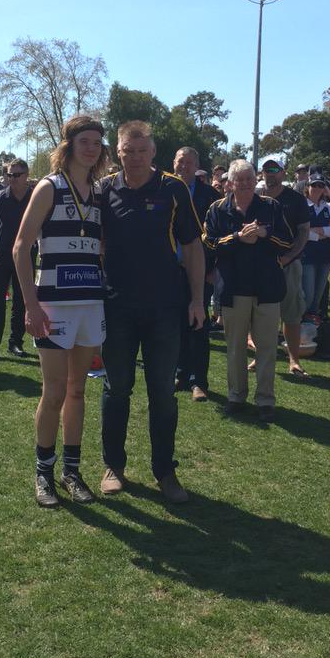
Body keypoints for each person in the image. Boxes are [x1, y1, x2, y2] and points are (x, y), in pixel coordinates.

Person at [98, 121, 205, 503]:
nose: (136, 157)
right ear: (119, 151)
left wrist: (196, 300)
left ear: (153, 152)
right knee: (117, 389)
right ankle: (113, 465)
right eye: (129, 150)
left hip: (165, 307)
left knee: (162, 392)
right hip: (117, 307)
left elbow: (193, 248)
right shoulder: (104, 190)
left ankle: (165, 472)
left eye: (143, 151)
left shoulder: (172, 189)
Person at [14, 117, 109, 507]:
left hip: (90, 304)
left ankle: (72, 471)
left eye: (97, 143)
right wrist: (31, 305)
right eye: (84, 141)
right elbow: (20, 248)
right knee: (52, 393)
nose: (92, 148)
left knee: (78, 390)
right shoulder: (48, 187)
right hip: (53, 305)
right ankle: (44, 473)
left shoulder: (100, 193)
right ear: (68, 145)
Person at [203, 159, 292, 423]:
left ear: (256, 181)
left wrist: (264, 234)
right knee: (235, 347)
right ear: (229, 182)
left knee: (266, 347)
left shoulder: (271, 207)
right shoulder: (217, 209)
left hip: (267, 287)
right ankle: (236, 396)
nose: (243, 184)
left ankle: (265, 400)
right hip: (232, 287)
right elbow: (208, 242)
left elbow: (287, 241)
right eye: (238, 179)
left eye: (248, 179)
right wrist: (237, 238)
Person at [173, 146, 219, 401]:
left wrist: (213, 269)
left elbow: (218, 235)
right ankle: (180, 373)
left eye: (189, 162)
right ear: (174, 162)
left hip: (201, 271)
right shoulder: (164, 189)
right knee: (176, 324)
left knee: (199, 326)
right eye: (181, 161)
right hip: (170, 271)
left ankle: (198, 381)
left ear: (197, 165)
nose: (184, 166)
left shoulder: (210, 196)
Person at [258, 159, 311, 376]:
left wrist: (289, 257)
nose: (270, 174)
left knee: (291, 313)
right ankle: (260, 357)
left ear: (283, 173)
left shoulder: (296, 199)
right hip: (260, 264)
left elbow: (304, 232)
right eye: (266, 170)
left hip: (288, 263)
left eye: (274, 170)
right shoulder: (256, 198)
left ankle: (293, 359)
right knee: (260, 314)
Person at [0, 160, 32, 362]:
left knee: (21, 300)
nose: (12, 179)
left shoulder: (35, 197)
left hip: (26, 255)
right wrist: (0, 242)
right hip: (1, 254)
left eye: (17, 175)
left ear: (26, 175)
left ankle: (16, 342)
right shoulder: (0, 197)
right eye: (9, 175)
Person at [301, 175, 330, 318]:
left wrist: (319, 231)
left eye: (320, 186)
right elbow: (301, 232)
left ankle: (310, 330)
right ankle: (298, 329)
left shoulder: (327, 207)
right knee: (308, 296)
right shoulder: (302, 205)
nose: (317, 189)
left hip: (324, 256)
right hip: (307, 257)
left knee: (317, 298)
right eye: (314, 185)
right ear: (308, 187)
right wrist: (323, 233)